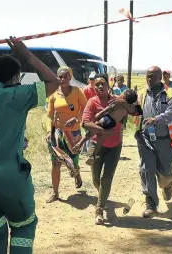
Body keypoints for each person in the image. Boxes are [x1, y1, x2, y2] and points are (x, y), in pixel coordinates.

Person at [0, 36, 60, 254]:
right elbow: (53, 82)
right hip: (6, 177)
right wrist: (26, 55)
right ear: (16, 77)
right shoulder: (14, 95)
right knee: (24, 227)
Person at [133, 66, 172, 218]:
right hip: (145, 138)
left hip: (165, 140)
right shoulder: (141, 93)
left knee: (165, 173)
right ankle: (151, 204)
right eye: (147, 76)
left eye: (153, 76)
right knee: (146, 170)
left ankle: (167, 184)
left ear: (160, 77)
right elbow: (133, 110)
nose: (149, 79)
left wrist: (157, 119)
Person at [81, 73, 124, 225]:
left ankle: (99, 209)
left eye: (102, 84)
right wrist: (104, 131)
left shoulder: (117, 101)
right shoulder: (92, 103)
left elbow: (127, 114)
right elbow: (85, 123)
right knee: (95, 179)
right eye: (97, 84)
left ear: (108, 85)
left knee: (106, 179)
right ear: (94, 86)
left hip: (114, 145)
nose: (99, 86)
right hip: (96, 145)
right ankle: (103, 196)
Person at [45, 66, 87, 203]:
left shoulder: (76, 92)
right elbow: (49, 116)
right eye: (59, 77)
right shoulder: (53, 95)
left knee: (72, 162)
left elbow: (86, 109)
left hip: (73, 133)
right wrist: (48, 131)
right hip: (57, 134)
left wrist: (77, 119)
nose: (62, 79)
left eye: (65, 77)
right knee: (56, 163)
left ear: (70, 77)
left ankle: (76, 173)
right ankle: (56, 193)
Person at [74, 84, 140, 165]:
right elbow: (125, 118)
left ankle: (80, 143)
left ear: (124, 96)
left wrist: (99, 114)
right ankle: (94, 155)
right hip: (113, 124)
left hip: (107, 118)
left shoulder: (118, 102)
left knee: (93, 131)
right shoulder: (128, 108)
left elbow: (109, 107)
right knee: (100, 139)